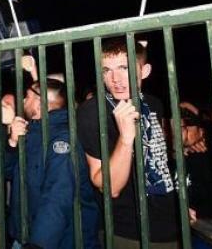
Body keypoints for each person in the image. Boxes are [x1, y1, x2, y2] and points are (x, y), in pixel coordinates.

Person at [77, 37, 187, 247]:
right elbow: (108, 187)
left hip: (171, 224)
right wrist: (126, 138)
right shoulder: (92, 112)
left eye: (124, 67)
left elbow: (159, 160)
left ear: (144, 71)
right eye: (106, 70)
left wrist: (178, 206)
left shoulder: (153, 103)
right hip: (128, 232)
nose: (115, 78)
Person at [0, 79, 100, 248]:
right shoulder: (33, 131)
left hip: (57, 241)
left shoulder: (62, 138)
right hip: (24, 234)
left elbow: (57, 196)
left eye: (27, 97)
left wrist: (38, 243)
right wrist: (12, 143)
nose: (23, 101)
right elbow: (6, 173)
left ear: (39, 103)